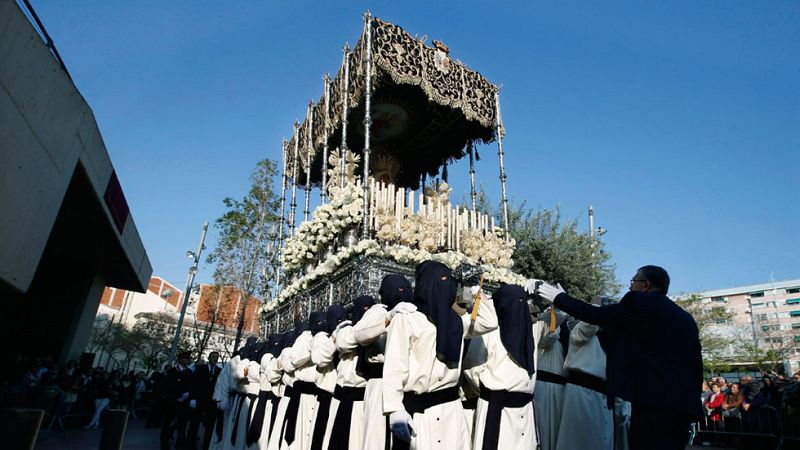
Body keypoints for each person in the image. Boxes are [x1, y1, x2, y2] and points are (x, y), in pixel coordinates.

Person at [536, 265, 703, 450]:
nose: (630, 287)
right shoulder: (685, 319)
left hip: (652, 401)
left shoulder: (640, 302)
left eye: (633, 281)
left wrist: (558, 297)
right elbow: (696, 365)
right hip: (682, 405)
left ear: (645, 285)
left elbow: (594, 315)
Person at [383, 261, 498, 450]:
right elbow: (394, 368)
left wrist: (474, 287)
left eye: (448, 280)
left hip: (451, 412)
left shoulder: (456, 321)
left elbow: (490, 321)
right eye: (440, 280)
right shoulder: (407, 319)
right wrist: (395, 410)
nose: (445, 286)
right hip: (420, 414)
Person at [351, 274, 417, 450]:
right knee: (377, 436)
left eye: (406, 289)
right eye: (398, 289)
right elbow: (359, 334)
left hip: (404, 381)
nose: (403, 293)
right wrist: (388, 319)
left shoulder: (411, 310)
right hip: (380, 381)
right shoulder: (377, 311)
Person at [469, 284, 538, 450]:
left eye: (522, 301)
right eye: (514, 301)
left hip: (524, 411)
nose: (518, 306)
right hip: (496, 409)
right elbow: (472, 369)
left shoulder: (529, 333)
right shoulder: (488, 332)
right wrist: (491, 392)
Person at [555, 302, 613, 450]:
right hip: (581, 394)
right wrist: (597, 307)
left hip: (603, 396)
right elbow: (589, 325)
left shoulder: (612, 343)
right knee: (577, 440)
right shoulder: (580, 333)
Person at [533, 307, 569, 450]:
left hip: (558, 389)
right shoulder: (542, 332)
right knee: (541, 428)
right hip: (542, 387)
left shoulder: (568, 332)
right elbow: (549, 337)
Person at [160, 350, 196, 450]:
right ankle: (164, 445)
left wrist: (189, 395)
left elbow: (191, 385)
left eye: (189, 358)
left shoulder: (189, 372)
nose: (188, 360)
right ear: (180, 359)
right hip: (172, 401)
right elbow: (168, 386)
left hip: (184, 403)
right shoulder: (172, 371)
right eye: (186, 358)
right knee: (167, 424)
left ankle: (180, 445)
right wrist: (179, 395)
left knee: (182, 425)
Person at [190, 351, 223, 450]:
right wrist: (193, 398)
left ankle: (206, 446)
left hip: (212, 402)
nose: (215, 359)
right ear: (209, 358)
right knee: (195, 423)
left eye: (216, 357)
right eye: (213, 357)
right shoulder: (201, 368)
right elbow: (193, 383)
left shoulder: (219, 371)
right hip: (199, 400)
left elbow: (220, 386)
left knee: (210, 425)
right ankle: (191, 444)